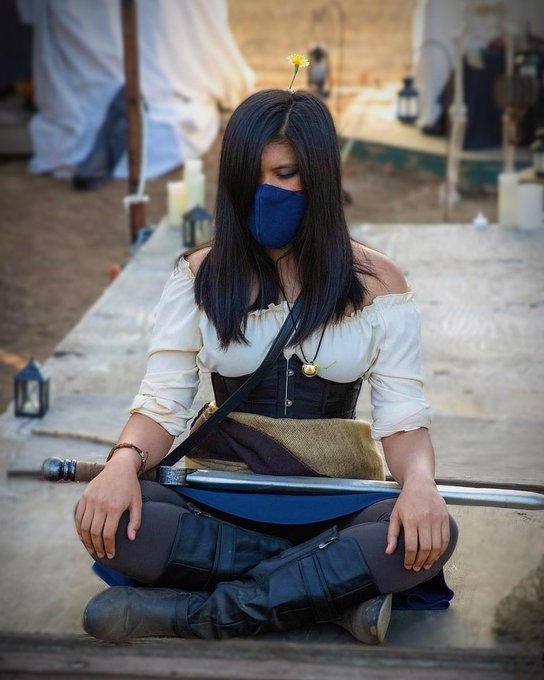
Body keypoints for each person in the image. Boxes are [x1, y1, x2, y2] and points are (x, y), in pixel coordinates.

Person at [75, 88, 458, 644]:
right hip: (222, 495)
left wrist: (420, 484)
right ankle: (327, 595)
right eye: (251, 176)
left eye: (284, 174)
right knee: (115, 521)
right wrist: (121, 465)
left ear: (320, 174)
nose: (267, 192)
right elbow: (161, 403)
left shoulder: (379, 285)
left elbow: (403, 419)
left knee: (429, 533)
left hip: (335, 503)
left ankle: (193, 615)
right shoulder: (200, 276)